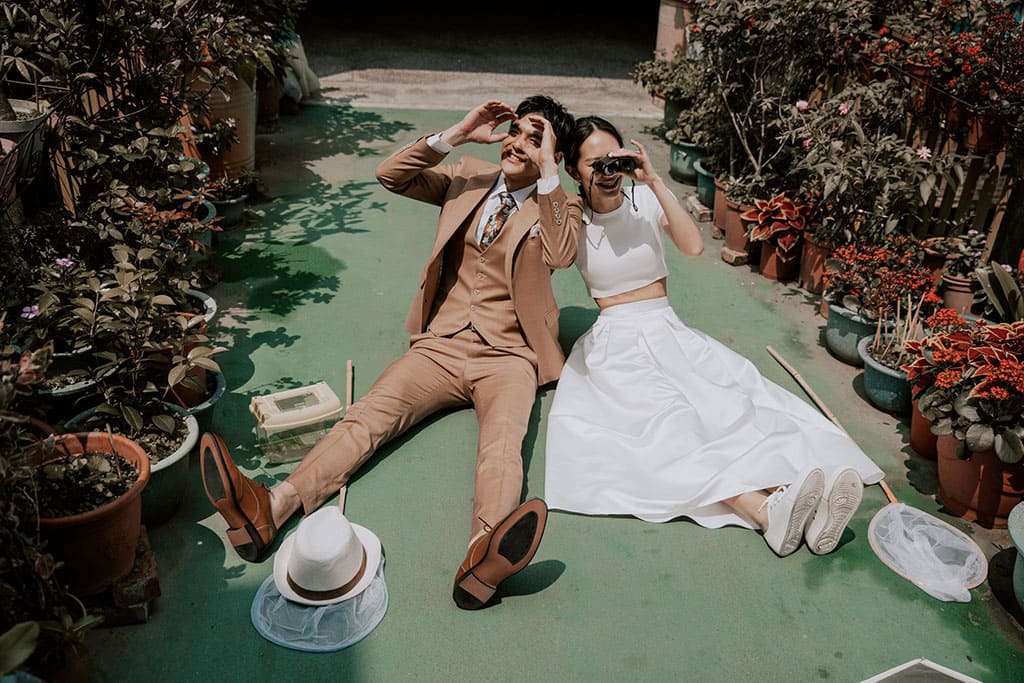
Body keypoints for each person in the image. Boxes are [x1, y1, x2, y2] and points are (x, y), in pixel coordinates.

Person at [201, 96, 583, 609]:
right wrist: (458, 132)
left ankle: (483, 551)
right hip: (441, 344)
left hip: (509, 355)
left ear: (552, 154)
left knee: (501, 446)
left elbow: (561, 252)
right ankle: (271, 507)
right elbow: (391, 175)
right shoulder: (468, 176)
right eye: (515, 131)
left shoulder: (560, 204)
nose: (517, 144)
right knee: (366, 418)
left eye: (535, 139)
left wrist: (550, 169)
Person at [543, 116, 884, 557]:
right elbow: (555, 254)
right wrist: (548, 169)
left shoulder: (644, 197)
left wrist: (654, 181)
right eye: (595, 165)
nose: (609, 172)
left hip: (668, 329)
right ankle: (767, 514)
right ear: (573, 169)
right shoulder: (573, 216)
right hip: (616, 342)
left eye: (614, 160)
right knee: (674, 428)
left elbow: (693, 246)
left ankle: (808, 508)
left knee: (730, 411)